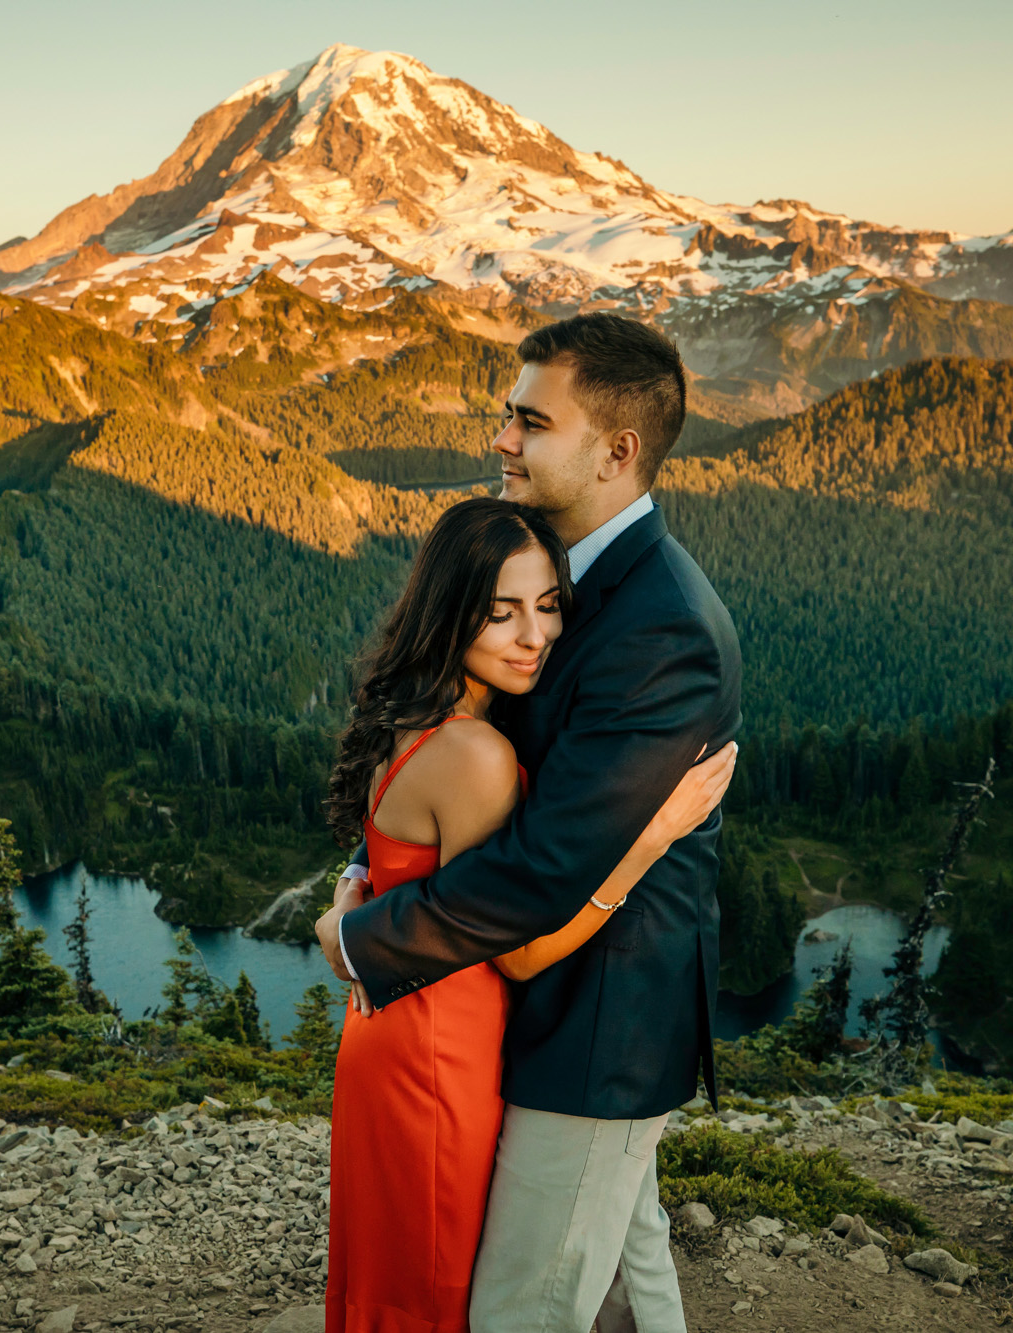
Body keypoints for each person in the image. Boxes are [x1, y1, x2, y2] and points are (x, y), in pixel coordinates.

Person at [317, 313, 743, 1333]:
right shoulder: (564, 569)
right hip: (536, 1015)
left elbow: (538, 869)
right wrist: (368, 862)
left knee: (524, 1307)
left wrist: (357, 937)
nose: (499, 440)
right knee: (623, 1289)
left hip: (593, 1026)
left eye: (527, 421)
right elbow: (442, 738)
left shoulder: (662, 626)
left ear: (614, 450)